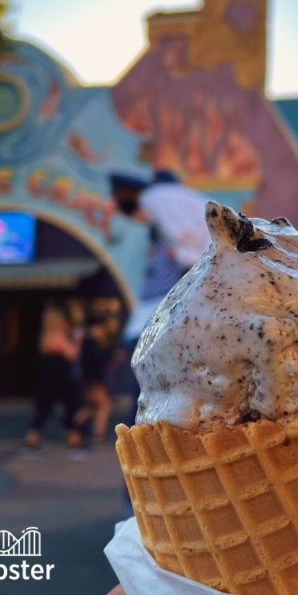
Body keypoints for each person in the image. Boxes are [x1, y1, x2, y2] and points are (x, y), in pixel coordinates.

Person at [110, 168, 212, 424]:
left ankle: (146, 423)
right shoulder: (196, 205)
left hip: (161, 313)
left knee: (148, 373)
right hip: (187, 303)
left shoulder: (156, 201)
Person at [24, 304, 84, 455]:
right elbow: (72, 354)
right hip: (59, 378)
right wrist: (77, 341)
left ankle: (33, 439)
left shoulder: (47, 336)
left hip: (50, 377)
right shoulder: (56, 336)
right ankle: (73, 441)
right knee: (69, 407)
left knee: (44, 408)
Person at [75, 315, 114, 445]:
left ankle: (75, 423)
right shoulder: (91, 342)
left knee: (92, 406)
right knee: (104, 405)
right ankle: (97, 435)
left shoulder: (87, 341)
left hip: (91, 380)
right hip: (94, 381)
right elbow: (97, 363)